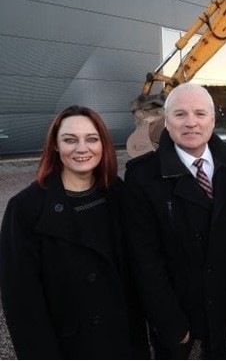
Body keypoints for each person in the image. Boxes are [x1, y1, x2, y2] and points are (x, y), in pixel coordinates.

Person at [0, 105, 150, 359]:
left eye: (92, 139)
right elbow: (22, 302)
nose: (82, 148)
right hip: (70, 346)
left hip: (123, 343)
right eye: (70, 140)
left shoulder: (118, 194)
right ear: (56, 146)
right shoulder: (26, 209)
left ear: (103, 144)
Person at [123, 83, 226, 359]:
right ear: (167, 121)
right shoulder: (142, 177)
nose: (191, 123)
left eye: (200, 113)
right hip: (174, 306)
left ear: (213, 119)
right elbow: (145, 260)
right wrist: (167, 318)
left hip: (223, 302)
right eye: (180, 114)